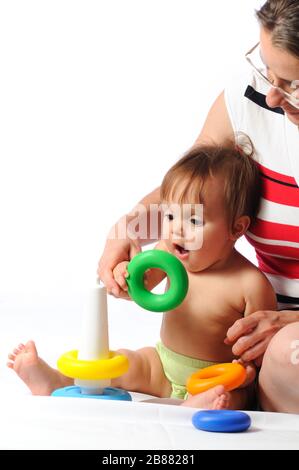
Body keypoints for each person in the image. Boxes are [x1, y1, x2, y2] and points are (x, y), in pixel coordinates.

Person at [97, 0, 299, 412]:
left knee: (287, 358)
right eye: (266, 68)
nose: (273, 96)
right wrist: (131, 229)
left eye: (294, 83)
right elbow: (194, 182)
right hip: (250, 329)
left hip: (282, 339)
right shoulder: (253, 94)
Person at [7, 144, 277, 410]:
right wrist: (124, 275)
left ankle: (197, 405)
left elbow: (260, 349)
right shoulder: (168, 254)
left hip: (212, 375)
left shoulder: (250, 285)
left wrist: (246, 370)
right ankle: (59, 381)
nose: (177, 231)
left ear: (236, 228)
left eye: (194, 221)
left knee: (234, 395)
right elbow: (140, 286)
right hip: (161, 364)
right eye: (171, 216)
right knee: (123, 361)